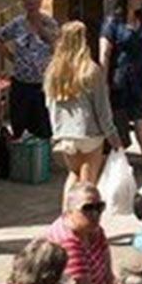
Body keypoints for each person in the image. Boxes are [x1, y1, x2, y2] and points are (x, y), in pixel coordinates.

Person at [45, 19, 117, 191]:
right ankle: (84, 216)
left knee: (73, 175)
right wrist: (112, 135)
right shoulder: (91, 70)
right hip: (89, 132)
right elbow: (101, 107)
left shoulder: (53, 71)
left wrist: (56, 132)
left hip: (65, 133)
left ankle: (66, 214)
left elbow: (50, 104)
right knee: (87, 183)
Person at [99, 0, 142, 160]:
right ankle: (118, 151)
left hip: (141, 72)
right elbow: (105, 52)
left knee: (141, 113)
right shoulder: (113, 22)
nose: (141, 0)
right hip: (121, 75)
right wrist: (103, 80)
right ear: (127, 0)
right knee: (119, 114)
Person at [0, 0, 59, 146]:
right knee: (20, 125)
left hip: (42, 84)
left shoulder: (49, 23)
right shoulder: (17, 24)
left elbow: (57, 46)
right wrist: (10, 57)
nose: (32, 8)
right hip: (21, 82)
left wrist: (41, 30)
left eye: (35, 4)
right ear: (23, 4)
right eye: (28, 4)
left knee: (43, 127)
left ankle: (42, 160)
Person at [41, 181, 116, 284]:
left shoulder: (93, 229)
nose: (95, 213)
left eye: (99, 207)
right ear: (69, 212)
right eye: (87, 208)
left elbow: (109, 276)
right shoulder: (67, 242)